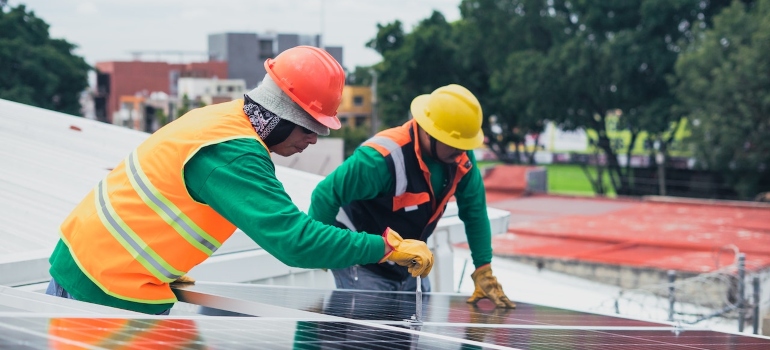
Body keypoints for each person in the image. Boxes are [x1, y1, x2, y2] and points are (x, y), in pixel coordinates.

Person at [45, 46, 434, 315]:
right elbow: (294, 242)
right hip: (104, 287)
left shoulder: (224, 119)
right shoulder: (233, 153)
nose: (314, 139)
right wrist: (386, 247)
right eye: (312, 126)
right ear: (283, 112)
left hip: (97, 268)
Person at [308, 84, 515, 308]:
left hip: (410, 263)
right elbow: (325, 195)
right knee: (369, 334)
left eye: (465, 145)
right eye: (455, 144)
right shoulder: (380, 159)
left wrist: (483, 268)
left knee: (410, 334)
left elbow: (474, 212)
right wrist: (322, 250)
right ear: (429, 132)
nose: (461, 152)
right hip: (363, 264)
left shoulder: (460, 159)